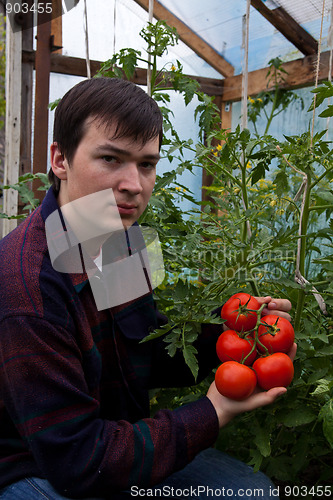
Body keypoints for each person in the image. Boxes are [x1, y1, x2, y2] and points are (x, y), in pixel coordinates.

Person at [0, 77, 294, 499]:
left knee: (253, 490)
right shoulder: (28, 289)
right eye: (110, 158)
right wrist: (214, 411)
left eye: (146, 164)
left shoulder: (121, 239)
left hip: (111, 441)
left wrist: (245, 337)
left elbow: (147, 346)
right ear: (60, 160)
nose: (134, 185)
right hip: (36, 466)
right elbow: (78, 462)